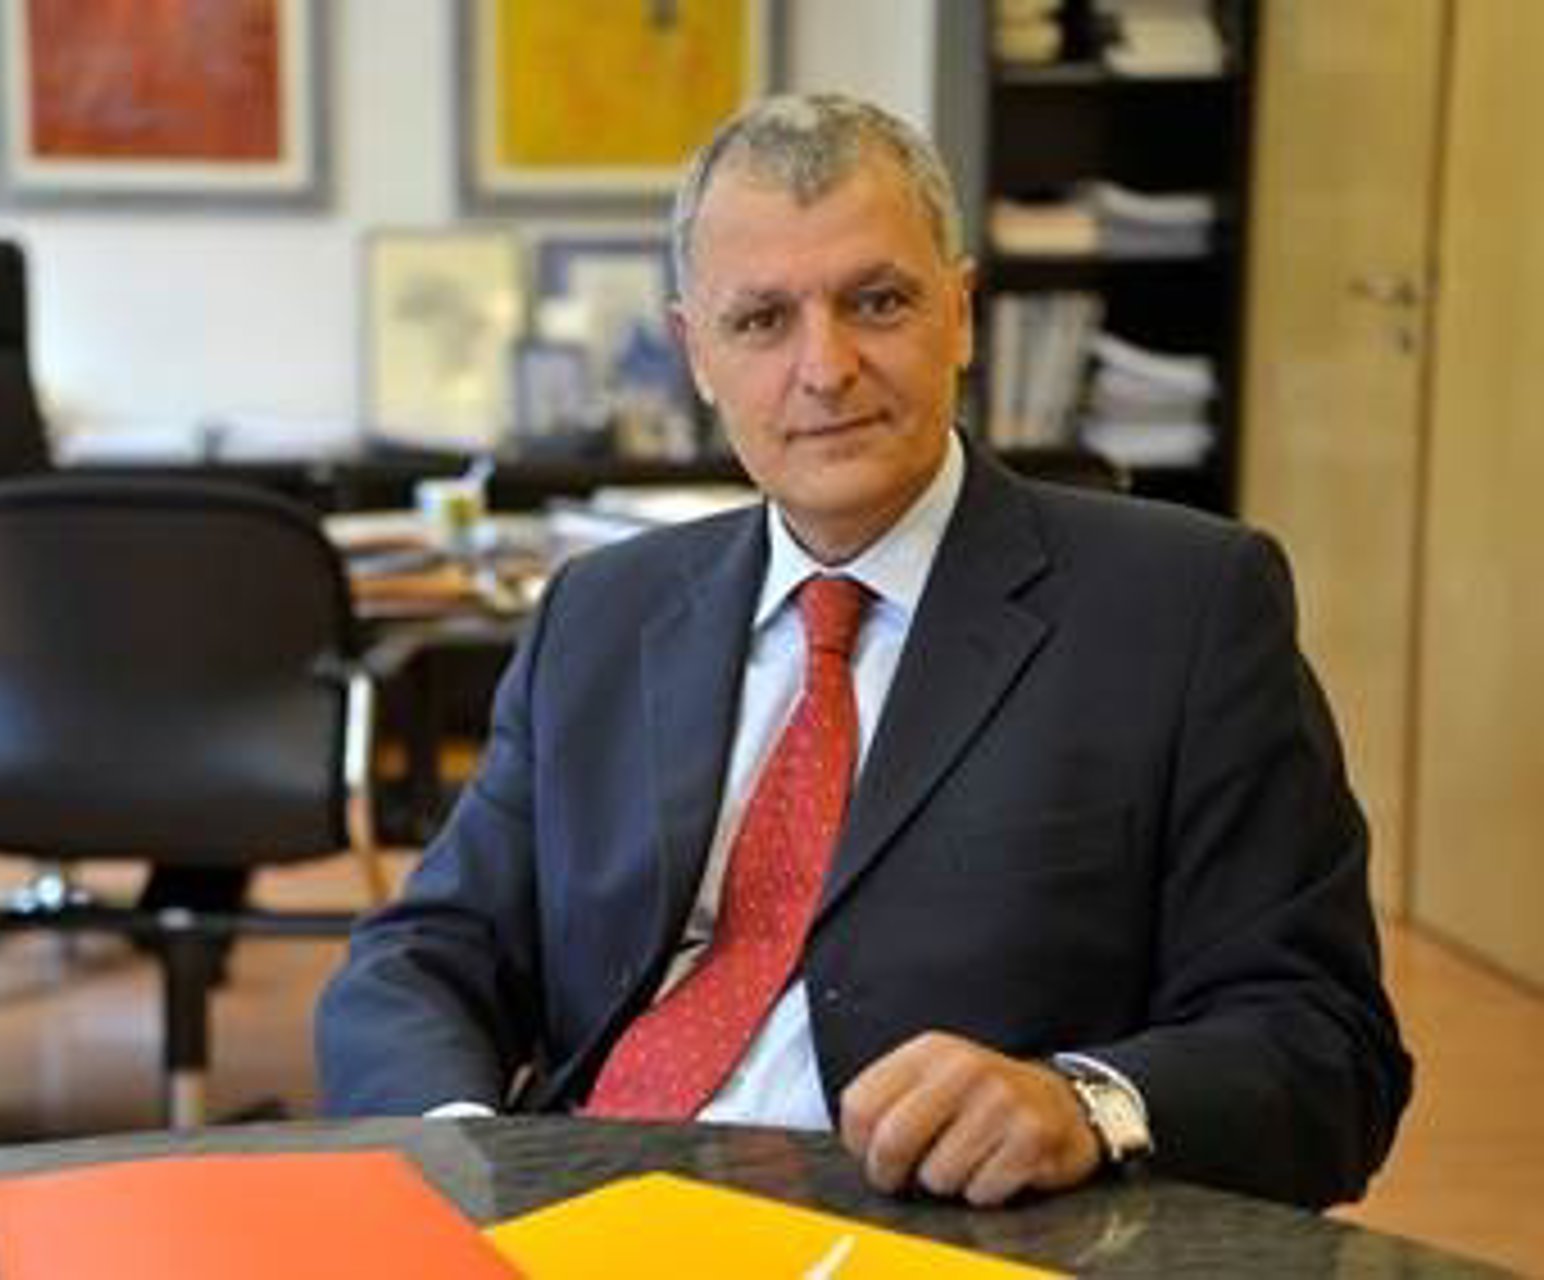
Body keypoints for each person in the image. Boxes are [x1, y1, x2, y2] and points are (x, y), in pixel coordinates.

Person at [317, 93, 1411, 1210]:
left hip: (927, 1226)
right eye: (761, 320)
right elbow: (424, 952)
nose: (826, 367)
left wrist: (1084, 1102)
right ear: (696, 354)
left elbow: (1326, 1048)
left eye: (877, 302)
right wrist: (464, 1156)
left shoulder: (1183, 607)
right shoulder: (602, 611)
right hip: (575, 1207)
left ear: (962, 313)